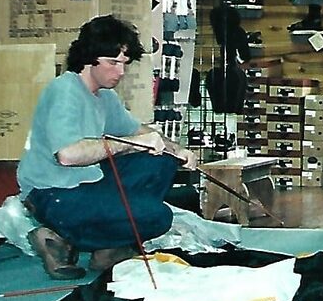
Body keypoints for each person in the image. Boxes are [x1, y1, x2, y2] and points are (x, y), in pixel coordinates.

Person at [17, 14, 198, 280]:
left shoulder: (104, 97)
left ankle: (108, 247)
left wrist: (176, 149)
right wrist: (132, 145)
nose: (120, 72)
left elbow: (138, 130)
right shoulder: (65, 91)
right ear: (89, 58)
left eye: (124, 64)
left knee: (162, 161)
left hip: (87, 182)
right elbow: (67, 155)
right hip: (52, 192)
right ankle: (58, 237)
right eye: (113, 63)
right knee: (157, 216)